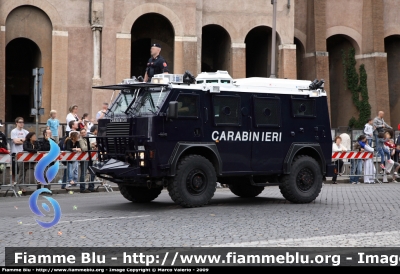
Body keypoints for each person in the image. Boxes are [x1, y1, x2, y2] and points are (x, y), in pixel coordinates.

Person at [10, 117, 29, 191]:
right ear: (16, 123)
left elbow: (27, 141)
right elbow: (15, 141)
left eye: (23, 122)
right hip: (16, 152)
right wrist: (23, 140)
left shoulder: (26, 132)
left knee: (22, 170)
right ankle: (13, 182)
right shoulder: (14, 131)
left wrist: (20, 140)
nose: (22, 123)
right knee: (15, 169)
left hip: (23, 153)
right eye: (20, 122)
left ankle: (21, 185)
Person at [78, 128, 95, 193]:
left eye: (84, 132)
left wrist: (94, 146)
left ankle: (91, 187)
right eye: (82, 133)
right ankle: (82, 188)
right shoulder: (81, 140)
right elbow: (84, 148)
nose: (83, 134)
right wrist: (91, 145)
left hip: (90, 157)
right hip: (84, 158)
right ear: (80, 134)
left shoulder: (88, 138)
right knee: (83, 173)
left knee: (93, 172)